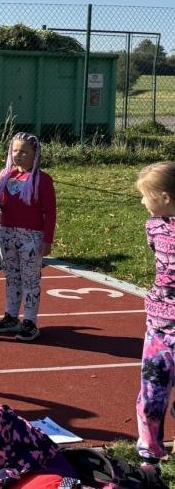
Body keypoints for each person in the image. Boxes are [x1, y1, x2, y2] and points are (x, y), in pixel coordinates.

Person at [0, 133, 56, 342]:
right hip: (7, 233)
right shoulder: (5, 175)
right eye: (15, 150)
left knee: (30, 279)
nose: (18, 155)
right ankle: (11, 316)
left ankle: (30, 321)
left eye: (24, 151)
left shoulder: (42, 180)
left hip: (31, 237)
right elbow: (1, 202)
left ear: (35, 154)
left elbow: (50, 212)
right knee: (11, 277)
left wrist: (47, 240)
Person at [134, 161, 175, 473]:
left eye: (145, 195)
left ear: (165, 197)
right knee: (151, 395)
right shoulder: (154, 227)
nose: (141, 201)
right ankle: (149, 455)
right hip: (159, 327)